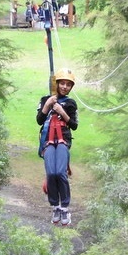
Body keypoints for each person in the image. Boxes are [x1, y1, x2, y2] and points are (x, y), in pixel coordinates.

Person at [37, 68, 79, 226]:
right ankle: (55, 205)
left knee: (60, 172)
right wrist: (47, 105)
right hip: (47, 140)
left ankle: (65, 207)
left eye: (68, 85)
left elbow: (74, 125)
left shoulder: (70, 103)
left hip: (62, 140)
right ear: (57, 84)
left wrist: (62, 111)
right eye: (62, 83)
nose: (65, 87)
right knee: (51, 173)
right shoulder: (45, 99)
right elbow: (39, 120)